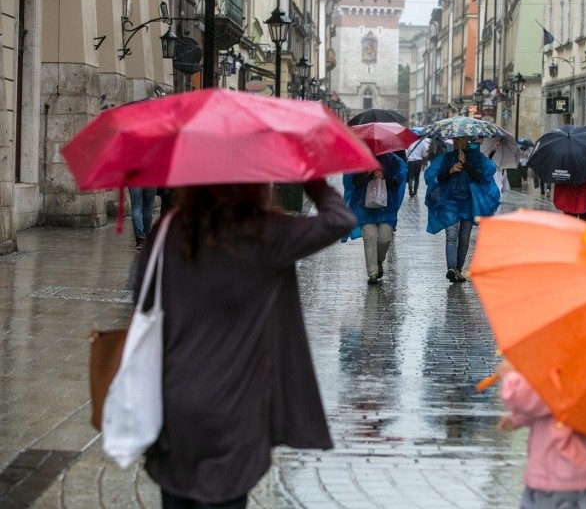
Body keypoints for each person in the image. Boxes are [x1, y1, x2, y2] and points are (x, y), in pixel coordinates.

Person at [134, 180, 355, 509]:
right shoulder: (265, 232)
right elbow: (339, 220)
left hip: (173, 402)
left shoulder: (166, 232)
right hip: (235, 407)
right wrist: (312, 180)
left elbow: (142, 302)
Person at [496, 360, 586, 509]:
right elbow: (560, 405)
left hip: (559, 476)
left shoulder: (563, 363)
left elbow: (529, 397)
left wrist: (510, 376)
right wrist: (520, 418)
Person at [424, 136, 500, 282]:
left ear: (467, 140)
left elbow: (482, 177)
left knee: (464, 237)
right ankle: (451, 268)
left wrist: (466, 164)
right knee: (451, 236)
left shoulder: (477, 158)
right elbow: (435, 177)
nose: (456, 142)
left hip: (468, 202)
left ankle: (458, 269)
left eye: (460, 139)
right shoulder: (447, 158)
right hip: (449, 201)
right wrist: (450, 170)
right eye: (454, 139)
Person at [342, 153, 407, 284]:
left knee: (385, 238)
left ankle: (378, 261)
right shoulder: (358, 158)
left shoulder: (392, 160)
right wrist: (367, 173)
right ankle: (372, 273)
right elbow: (352, 182)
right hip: (364, 209)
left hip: (386, 209)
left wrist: (384, 176)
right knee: (369, 238)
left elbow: (397, 181)